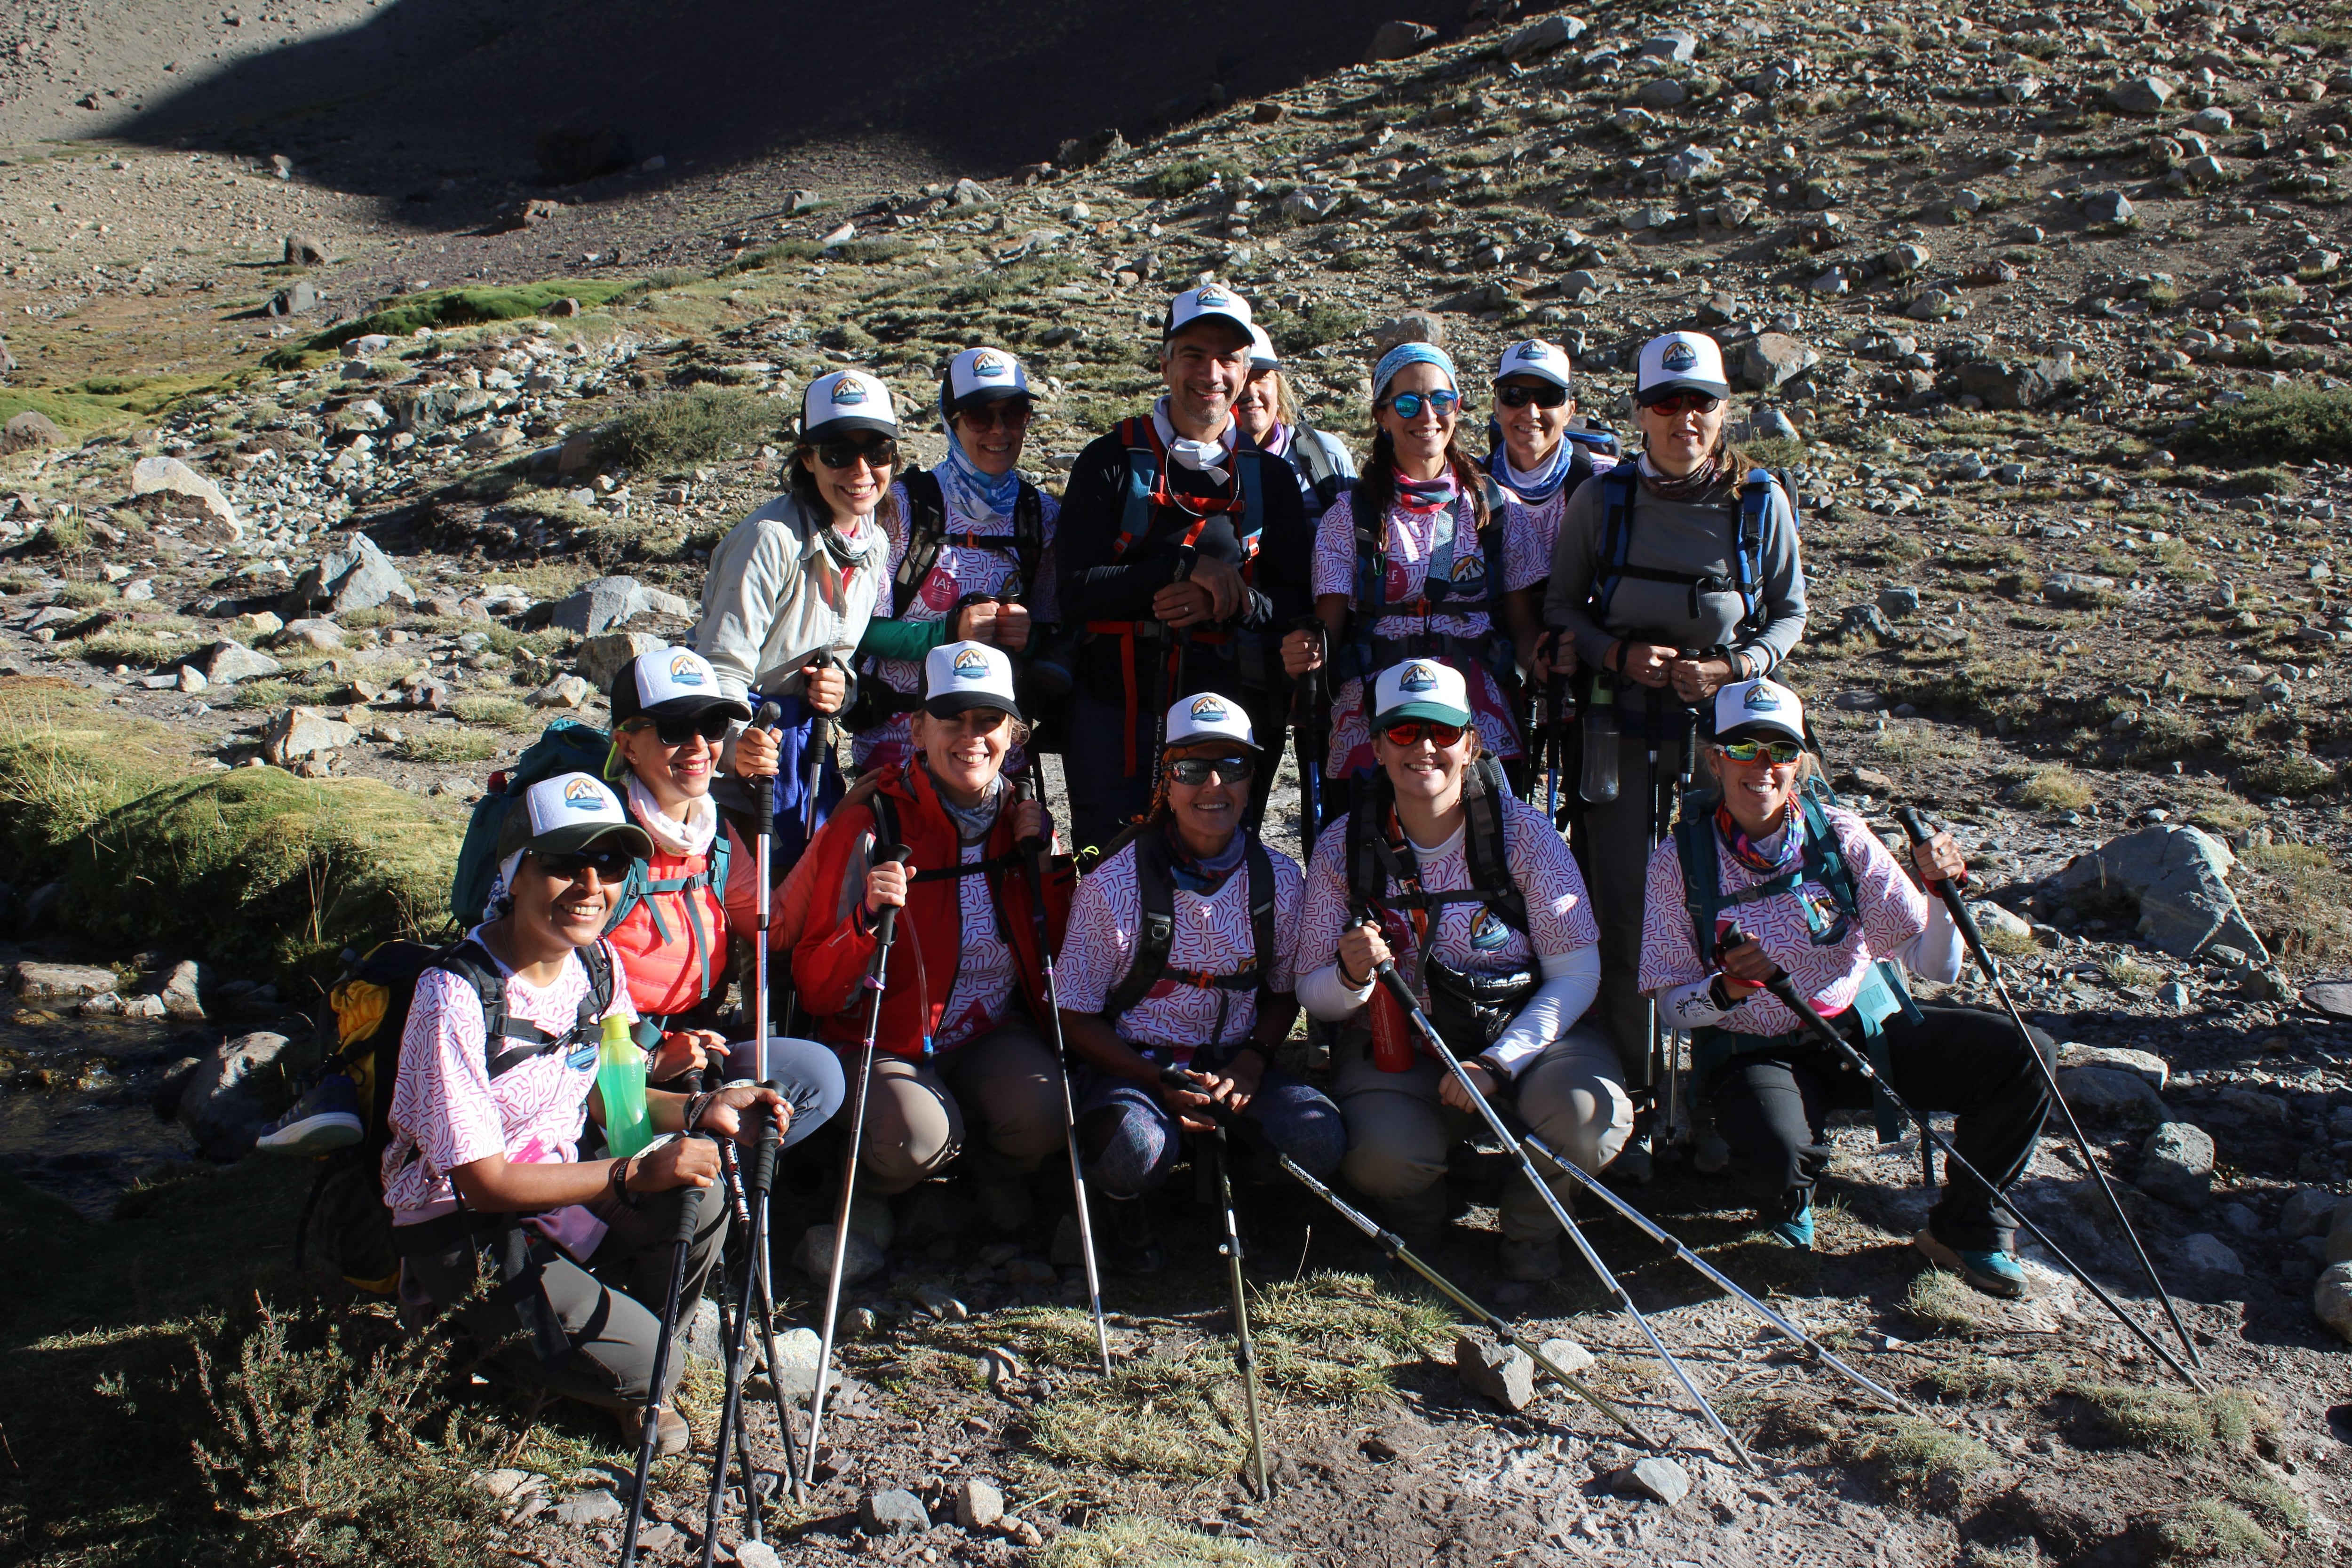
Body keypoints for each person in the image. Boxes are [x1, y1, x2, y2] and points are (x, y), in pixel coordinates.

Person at [382, 772, 786, 1453]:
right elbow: (484, 1183)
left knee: (705, 1189)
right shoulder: (452, 996)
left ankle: (626, 1362)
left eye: (610, 863)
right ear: (513, 873)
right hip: (459, 1222)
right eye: (565, 862)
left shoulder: (594, 962)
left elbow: (605, 1092)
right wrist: (631, 1175)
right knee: (660, 1362)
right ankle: (501, 1353)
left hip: (563, 1185)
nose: (591, 884)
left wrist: (701, 1107)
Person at [1638, 678, 2053, 1297]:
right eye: (1744, 747)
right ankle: (1788, 1197)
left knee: (2025, 1054)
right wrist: (1727, 989)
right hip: (1759, 1049)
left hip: (1865, 1031)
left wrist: (1941, 895)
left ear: (1801, 759)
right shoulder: (1679, 859)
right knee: (1776, 1153)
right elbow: (1671, 1007)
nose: (1763, 766)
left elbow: (1936, 965)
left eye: (1780, 749)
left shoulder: (1843, 836)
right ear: (1714, 758)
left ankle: (1967, 1228)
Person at [1540, 331, 1808, 1172]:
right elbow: (1562, 605)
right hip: (1617, 732)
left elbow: (1789, 617)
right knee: (1622, 907)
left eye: (1701, 403)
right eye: (1666, 403)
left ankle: (1721, 1092)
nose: (1683, 419)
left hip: (1716, 743)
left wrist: (1733, 666)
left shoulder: (1760, 501)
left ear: (1725, 411)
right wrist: (1618, 656)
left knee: (1719, 908)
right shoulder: (1603, 499)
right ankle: (1628, 1089)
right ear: (1641, 412)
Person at [1295, 661, 1629, 1280]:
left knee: (1589, 1119)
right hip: (1408, 1047)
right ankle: (1421, 1223)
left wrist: (1500, 1062)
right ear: (1375, 746)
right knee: (1383, 1155)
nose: (1424, 748)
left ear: (1472, 743)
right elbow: (1310, 991)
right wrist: (1350, 976)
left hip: (1526, 1039)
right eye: (1403, 733)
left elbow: (1579, 973)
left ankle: (1531, 1232)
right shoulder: (1342, 846)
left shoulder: (1527, 836)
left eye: (1443, 733)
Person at [1054, 692, 1344, 1270]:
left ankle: (1241, 1178)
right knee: (1128, 1148)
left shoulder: (1281, 880)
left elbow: (1285, 990)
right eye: (1191, 768)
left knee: (1319, 1136)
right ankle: (1124, 1202)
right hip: (1136, 1065)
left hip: (1237, 1063)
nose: (1213, 785)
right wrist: (1154, 1078)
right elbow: (1072, 1014)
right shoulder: (1110, 886)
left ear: (1252, 779)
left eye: (1232, 767)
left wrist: (1253, 1062)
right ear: (1165, 780)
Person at [791, 641, 1073, 1230]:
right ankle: (872, 1187)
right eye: (951, 719)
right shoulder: (870, 823)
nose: (971, 737)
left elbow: (1056, 947)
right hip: (878, 1043)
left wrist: (1043, 866)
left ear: (1013, 736)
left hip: (988, 1033)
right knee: (913, 1139)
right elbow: (815, 989)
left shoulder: (1023, 822)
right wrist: (866, 920)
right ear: (917, 730)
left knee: (1047, 1112)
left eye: (988, 720)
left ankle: (981, 1177)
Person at [1056, 285, 1312, 854]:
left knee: (1218, 880)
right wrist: (1180, 568)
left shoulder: (1271, 480)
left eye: (1228, 358)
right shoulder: (1109, 461)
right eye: (1194, 354)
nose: (1211, 372)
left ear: (1246, 371)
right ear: (1165, 362)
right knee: (1109, 872)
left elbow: (1294, 603)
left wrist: (1231, 600)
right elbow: (1073, 593)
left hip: (1228, 725)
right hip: (1113, 719)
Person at [1279, 342, 1545, 826]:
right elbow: (1329, 629)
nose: (1426, 414)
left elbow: (1524, 627)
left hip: (1477, 712)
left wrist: (1546, 661)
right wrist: (1306, 655)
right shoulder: (1350, 516)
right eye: (1407, 403)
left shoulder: (1497, 509)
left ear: (1457, 407)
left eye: (1440, 400)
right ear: (1381, 415)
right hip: (1371, 713)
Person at [599, 645, 849, 1132]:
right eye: (673, 729)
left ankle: (707, 1162)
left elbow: (771, 930)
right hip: (607, 1066)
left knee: (817, 1074)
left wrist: (833, 833)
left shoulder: (713, 836)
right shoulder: (599, 843)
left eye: (713, 727)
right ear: (626, 744)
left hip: (695, 1045)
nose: (698, 747)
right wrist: (648, 1063)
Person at [695, 369, 900, 865]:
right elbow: (721, 666)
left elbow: (844, 657)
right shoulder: (770, 539)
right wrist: (737, 745)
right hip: (741, 760)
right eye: (836, 453)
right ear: (807, 459)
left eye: (876, 452)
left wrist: (839, 686)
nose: (860, 470)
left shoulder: (873, 544)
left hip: (801, 749)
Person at [850, 348, 1065, 773]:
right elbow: (859, 630)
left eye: (1015, 414)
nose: (1000, 431)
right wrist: (949, 632)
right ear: (951, 421)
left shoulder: (1042, 517)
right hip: (898, 742)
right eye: (981, 416)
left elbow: (1055, 629)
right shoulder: (901, 506)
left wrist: (1030, 637)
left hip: (995, 749)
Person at [1236, 325, 1357, 525]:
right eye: (1242, 379)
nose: (1250, 392)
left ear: (1279, 386)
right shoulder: (1203, 461)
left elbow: (1359, 541)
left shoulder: (1328, 455)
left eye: (1261, 378)